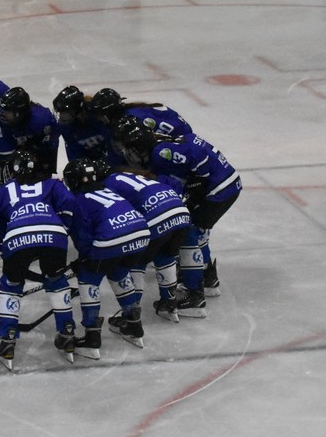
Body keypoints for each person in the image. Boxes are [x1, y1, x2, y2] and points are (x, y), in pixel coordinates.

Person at [111, 117, 242, 316]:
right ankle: (206, 278)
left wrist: (195, 189)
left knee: (188, 232)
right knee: (193, 229)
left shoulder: (161, 154)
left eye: (129, 150)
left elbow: (200, 166)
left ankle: (194, 295)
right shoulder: (159, 145)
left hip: (220, 189)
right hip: (223, 185)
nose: (126, 154)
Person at [0, 150, 77, 369]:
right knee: (56, 280)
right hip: (53, 234)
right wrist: (62, 229)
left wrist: (8, 257)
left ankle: (8, 339)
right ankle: (67, 333)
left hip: (17, 238)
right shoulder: (53, 185)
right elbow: (70, 205)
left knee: (11, 285)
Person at [62, 159, 152, 354]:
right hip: (141, 237)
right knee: (118, 270)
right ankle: (134, 324)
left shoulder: (77, 201)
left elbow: (82, 236)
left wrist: (85, 260)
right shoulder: (109, 191)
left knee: (88, 277)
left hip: (112, 241)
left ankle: (92, 335)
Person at [97, 161, 193, 326]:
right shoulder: (133, 175)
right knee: (165, 255)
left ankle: (131, 315)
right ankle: (169, 303)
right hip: (182, 215)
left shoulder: (106, 185)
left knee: (135, 262)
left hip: (157, 217)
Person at [0, 86, 60, 184]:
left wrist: (37, 150)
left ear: (18, 113)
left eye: (7, 111)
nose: (2, 114)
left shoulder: (42, 120)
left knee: (42, 179)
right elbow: (6, 152)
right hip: (20, 151)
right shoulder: (3, 121)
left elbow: (52, 143)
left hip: (41, 153)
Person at [52, 85, 120, 166]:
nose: (61, 118)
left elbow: (113, 143)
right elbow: (75, 157)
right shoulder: (66, 127)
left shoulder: (97, 115)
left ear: (75, 110)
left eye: (64, 113)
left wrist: (111, 164)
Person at [88, 87, 192, 138]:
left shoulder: (133, 120)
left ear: (111, 112)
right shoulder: (132, 112)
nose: (99, 119)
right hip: (185, 136)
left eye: (101, 116)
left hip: (183, 141)